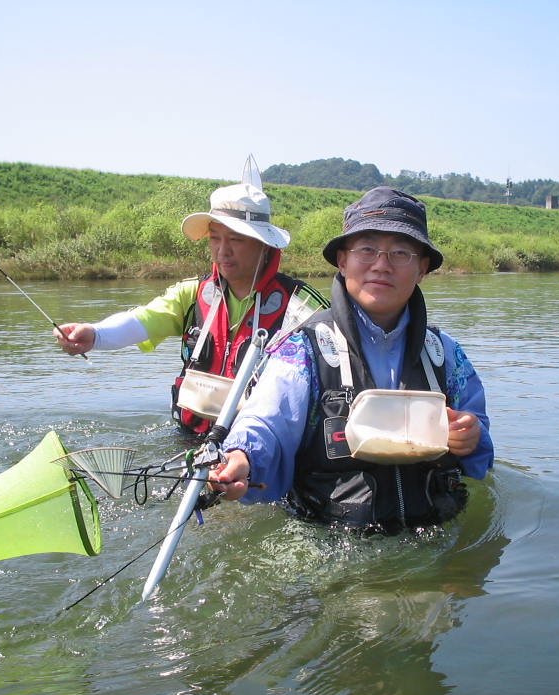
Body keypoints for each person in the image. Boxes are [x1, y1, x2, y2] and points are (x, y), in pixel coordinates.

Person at [209, 186, 494, 533]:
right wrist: (241, 457)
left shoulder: (446, 355)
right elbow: (267, 420)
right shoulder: (302, 350)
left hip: (433, 536)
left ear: (422, 269)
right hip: (328, 542)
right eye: (367, 249)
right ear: (343, 261)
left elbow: (480, 444)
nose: (381, 265)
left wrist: (471, 437)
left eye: (401, 252)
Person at [55, 178, 315, 434]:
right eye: (215, 238)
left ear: (264, 245)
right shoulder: (192, 294)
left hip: (259, 447)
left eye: (236, 240)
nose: (222, 251)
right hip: (191, 439)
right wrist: (94, 335)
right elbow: (140, 321)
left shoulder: (301, 306)